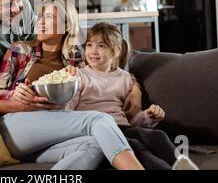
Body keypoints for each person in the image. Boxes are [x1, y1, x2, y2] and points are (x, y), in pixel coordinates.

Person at [0, 0, 143, 117]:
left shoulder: (74, 55)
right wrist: (15, 101)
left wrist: (134, 89)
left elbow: (106, 71)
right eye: (7, 5)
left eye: (18, 0)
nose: (17, 8)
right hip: (11, 106)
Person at [0, 0, 144, 170]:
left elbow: (107, 72)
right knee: (99, 119)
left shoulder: (77, 58)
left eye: (49, 17)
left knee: (95, 145)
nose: (40, 22)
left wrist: (135, 89)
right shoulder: (20, 50)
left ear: (67, 25)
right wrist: (14, 96)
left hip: (54, 134)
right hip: (16, 128)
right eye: (40, 17)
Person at [66, 22, 198, 170]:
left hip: (123, 128)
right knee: (136, 146)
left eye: (101, 46)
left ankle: (182, 165)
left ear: (115, 51)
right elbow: (68, 109)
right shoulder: (79, 75)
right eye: (89, 45)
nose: (93, 51)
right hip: (97, 132)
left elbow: (131, 118)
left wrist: (148, 116)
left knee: (157, 136)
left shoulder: (125, 78)